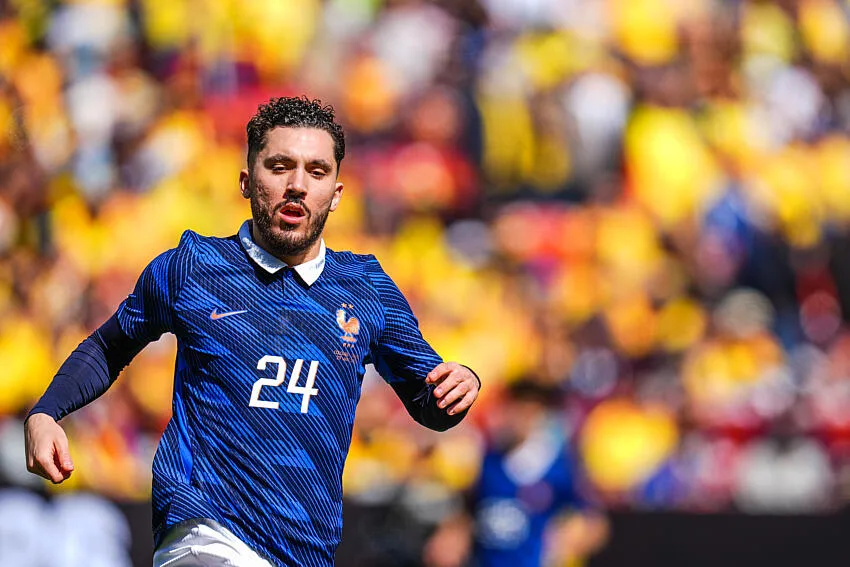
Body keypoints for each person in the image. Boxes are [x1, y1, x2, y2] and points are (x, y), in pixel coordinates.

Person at [24, 96, 481, 567]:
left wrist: (463, 383)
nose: (297, 185)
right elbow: (109, 345)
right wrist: (46, 413)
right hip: (204, 535)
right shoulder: (193, 268)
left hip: (306, 551)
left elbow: (431, 402)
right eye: (280, 167)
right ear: (247, 181)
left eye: (317, 171)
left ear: (337, 193)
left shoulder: (367, 288)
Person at [423, 378, 606, 567]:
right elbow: (467, 512)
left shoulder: (557, 468)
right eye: (517, 409)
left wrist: (567, 544)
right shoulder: (488, 462)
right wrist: (451, 538)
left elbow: (593, 521)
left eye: (530, 411)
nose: (521, 419)